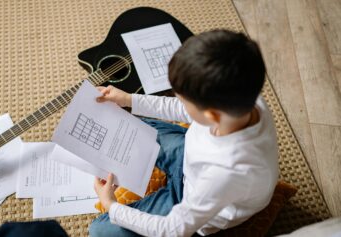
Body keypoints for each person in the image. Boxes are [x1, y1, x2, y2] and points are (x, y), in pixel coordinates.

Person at [90, 29, 279, 236]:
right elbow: (182, 110)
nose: (180, 105)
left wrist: (111, 206)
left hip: (190, 199)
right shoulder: (246, 101)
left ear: (212, 116)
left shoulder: (228, 172)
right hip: (191, 161)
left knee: (100, 230)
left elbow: (173, 229)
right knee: (129, 124)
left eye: (184, 101)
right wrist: (129, 100)